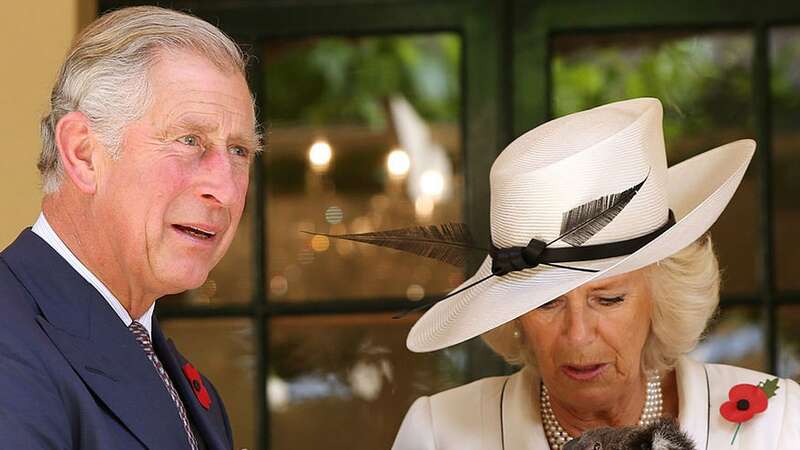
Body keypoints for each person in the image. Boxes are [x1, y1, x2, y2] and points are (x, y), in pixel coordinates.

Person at [387, 98, 799, 449]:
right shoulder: (440, 435)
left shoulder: (775, 426)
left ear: (663, 297)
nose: (578, 334)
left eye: (608, 298)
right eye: (546, 303)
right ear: (514, 315)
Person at [0, 6, 260, 449]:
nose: (226, 189)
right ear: (83, 154)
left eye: (239, 150)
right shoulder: (10, 343)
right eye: (189, 140)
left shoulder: (192, 389)